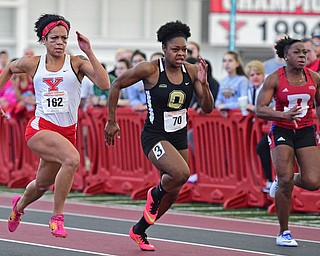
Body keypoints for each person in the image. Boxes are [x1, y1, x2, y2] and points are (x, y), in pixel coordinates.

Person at [104, 20, 213, 251]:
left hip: (178, 136)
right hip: (154, 136)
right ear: (164, 48)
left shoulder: (192, 71)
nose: (181, 54)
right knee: (181, 173)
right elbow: (116, 85)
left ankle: (139, 230)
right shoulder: (150, 69)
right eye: (175, 49)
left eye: (184, 49)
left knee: (174, 190)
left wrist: (204, 84)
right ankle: (155, 193)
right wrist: (111, 121)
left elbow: (207, 108)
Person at [0, 13, 110, 238]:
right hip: (40, 128)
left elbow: (104, 83)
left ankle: (18, 207)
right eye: (54, 38)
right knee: (72, 159)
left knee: (41, 185)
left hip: (67, 133)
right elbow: (10, 68)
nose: (60, 42)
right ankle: (57, 217)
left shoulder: (77, 62)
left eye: (64, 38)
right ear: (44, 39)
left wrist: (89, 51)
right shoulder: (34, 63)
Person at [256, 36, 320, 247]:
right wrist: (283, 115)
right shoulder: (274, 78)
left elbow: (318, 104)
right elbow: (260, 109)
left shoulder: (314, 77)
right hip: (282, 130)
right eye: (297, 52)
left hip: (305, 130)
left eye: (304, 52)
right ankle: (284, 232)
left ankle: (287, 177)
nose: (302, 56)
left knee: (313, 182)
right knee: (285, 182)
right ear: (285, 56)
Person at [244, 60, 273, 192]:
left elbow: (272, 105)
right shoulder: (250, 88)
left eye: (258, 73)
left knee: (263, 148)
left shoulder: (268, 86)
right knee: (262, 149)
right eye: (252, 75)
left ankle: (272, 181)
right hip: (262, 126)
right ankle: (270, 181)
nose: (255, 77)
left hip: (274, 124)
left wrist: (255, 108)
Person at [214, 51, 248, 115]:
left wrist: (225, 106)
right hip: (226, 118)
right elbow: (218, 100)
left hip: (239, 117)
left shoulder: (243, 80)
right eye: (224, 61)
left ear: (237, 63)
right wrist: (220, 107)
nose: (227, 63)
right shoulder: (223, 81)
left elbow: (243, 102)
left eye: (230, 61)